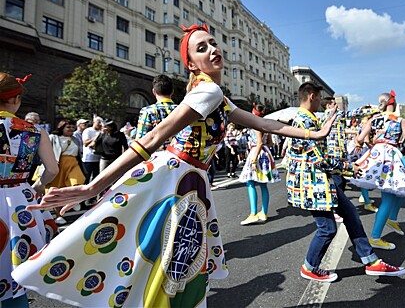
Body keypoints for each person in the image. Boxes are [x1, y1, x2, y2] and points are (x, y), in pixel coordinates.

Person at [12, 24, 337, 307]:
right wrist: (94, 186)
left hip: (187, 181)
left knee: (165, 262)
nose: (212, 50)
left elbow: (267, 125)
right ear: (191, 63)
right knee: (174, 264)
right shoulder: (208, 91)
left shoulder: (217, 96)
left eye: (212, 43)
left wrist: (316, 132)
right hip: (174, 179)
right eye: (201, 48)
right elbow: (152, 139)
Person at [287, 82, 405, 283]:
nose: (322, 103)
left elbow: (345, 116)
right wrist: (351, 169)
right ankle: (310, 267)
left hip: (320, 182)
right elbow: (319, 159)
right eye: (319, 98)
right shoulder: (303, 122)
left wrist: (376, 108)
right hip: (312, 184)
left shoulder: (311, 118)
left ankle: (371, 261)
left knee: (350, 214)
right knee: (327, 229)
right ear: (311, 96)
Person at [0, 73, 59, 308]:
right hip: (19, 199)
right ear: (15, 99)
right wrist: (37, 185)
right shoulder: (34, 131)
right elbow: (52, 169)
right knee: (16, 263)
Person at [353, 91, 405, 250]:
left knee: (400, 190)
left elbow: (359, 139)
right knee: (390, 195)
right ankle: (375, 237)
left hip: (377, 154)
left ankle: (391, 219)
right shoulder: (400, 120)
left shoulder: (373, 119)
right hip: (391, 155)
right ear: (393, 102)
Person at [238, 103, 281, 225]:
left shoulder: (255, 125)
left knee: (250, 182)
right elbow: (270, 144)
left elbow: (259, 143)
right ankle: (264, 212)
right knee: (263, 184)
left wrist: (253, 159)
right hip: (265, 154)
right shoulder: (265, 125)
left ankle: (253, 213)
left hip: (256, 153)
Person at [45, 119, 86, 225]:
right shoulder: (53, 138)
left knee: (78, 181)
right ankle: (59, 215)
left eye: (73, 127)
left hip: (73, 163)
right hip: (58, 164)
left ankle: (74, 200)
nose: (71, 129)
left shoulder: (75, 139)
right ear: (62, 127)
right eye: (68, 127)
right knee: (57, 190)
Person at [135, 74, 178, 150]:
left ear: (154, 91)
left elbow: (141, 141)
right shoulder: (181, 109)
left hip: (156, 158)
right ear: (172, 91)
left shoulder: (147, 111)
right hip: (178, 157)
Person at [81, 116, 103, 206]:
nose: (100, 125)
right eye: (99, 123)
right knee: (86, 179)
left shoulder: (101, 132)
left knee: (96, 180)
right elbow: (85, 143)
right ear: (94, 122)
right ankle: (81, 200)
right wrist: (96, 137)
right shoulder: (88, 131)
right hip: (88, 158)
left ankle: (91, 199)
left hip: (98, 158)